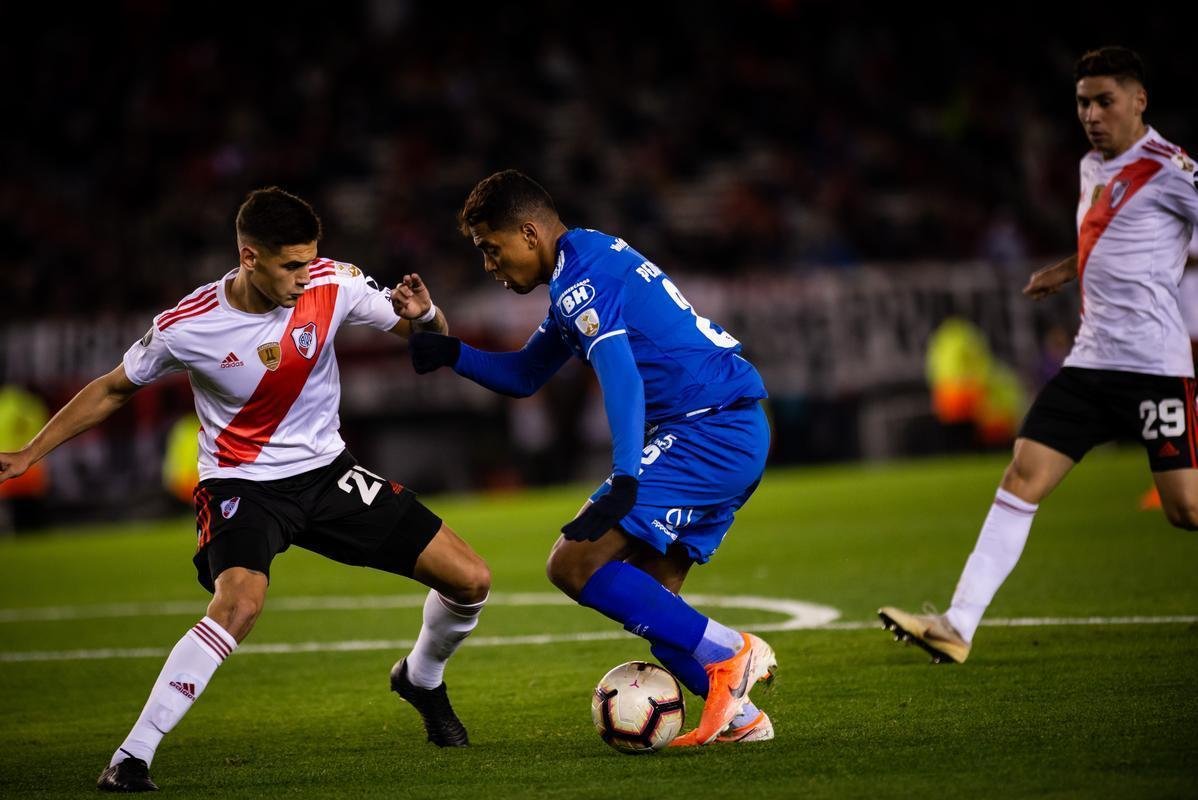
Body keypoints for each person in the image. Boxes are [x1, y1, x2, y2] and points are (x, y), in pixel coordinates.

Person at [0, 187, 492, 791]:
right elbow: (111, 389)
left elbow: (428, 341)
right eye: (290, 265)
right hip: (242, 485)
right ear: (249, 257)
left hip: (329, 474)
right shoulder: (188, 325)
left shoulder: (331, 285)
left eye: (310, 260)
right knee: (239, 605)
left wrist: (426, 315)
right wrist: (29, 453)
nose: (303, 276)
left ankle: (420, 678)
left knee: (471, 579)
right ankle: (132, 756)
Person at [408, 169, 776, 747]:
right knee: (655, 603)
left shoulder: (583, 278)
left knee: (572, 564)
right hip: (728, 428)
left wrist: (625, 478)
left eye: (490, 248)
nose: (489, 265)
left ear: (529, 233)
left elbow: (621, 377)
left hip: (705, 430)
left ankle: (732, 651)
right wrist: (452, 352)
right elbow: (526, 374)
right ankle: (740, 720)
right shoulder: (581, 267)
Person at [879, 46, 1198, 664]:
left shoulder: (1172, 169)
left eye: (1105, 100)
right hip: (1088, 364)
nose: (1092, 114)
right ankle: (956, 624)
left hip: (1154, 367)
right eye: (1083, 103)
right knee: (1022, 477)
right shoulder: (1090, 166)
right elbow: (1117, 241)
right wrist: (1065, 269)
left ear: (1139, 100)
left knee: (1185, 510)